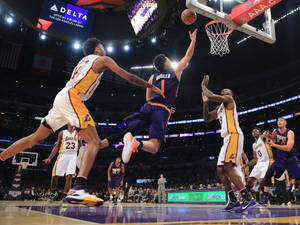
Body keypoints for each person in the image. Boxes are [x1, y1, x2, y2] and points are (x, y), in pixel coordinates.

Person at [0, 37, 163, 206]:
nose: (105, 49)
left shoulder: (84, 61)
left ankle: (2, 157)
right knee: (94, 141)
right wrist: (151, 86)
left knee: (35, 138)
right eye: (103, 46)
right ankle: (78, 188)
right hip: (72, 96)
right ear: (98, 50)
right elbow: (129, 77)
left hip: (63, 96)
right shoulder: (102, 59)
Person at [102, 29, 197, 163]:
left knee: (126, 131)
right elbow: (187, 56)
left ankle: (106, 144)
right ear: (166, 62)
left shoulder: (153, 77)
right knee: (155, 147)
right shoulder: (175, 71)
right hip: (161, 110)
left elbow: (148, 98)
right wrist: (193, 40)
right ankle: (136, 143)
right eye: (169, 59)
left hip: (148, 107)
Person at [201, 75, 256, 212]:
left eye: (227, 90)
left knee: (228, 166)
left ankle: (248, 198)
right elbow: (207, 118)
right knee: (220, 169)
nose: (224, 91)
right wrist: (205, 102)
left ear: (230, 95)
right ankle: (233, 200)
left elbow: (212, 95)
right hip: (226, 139)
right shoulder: (220, 108)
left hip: (234, 135)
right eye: (223, 90)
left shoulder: (230, 100)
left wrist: (203, 86)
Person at [260, 118, 300, 205]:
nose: (279, 122)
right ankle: (265, 197)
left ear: (285, 123)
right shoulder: (275, 131)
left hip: (290, 159)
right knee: (269, 173)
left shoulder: (290, 133)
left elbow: (289, 148)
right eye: (278, 121)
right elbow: (271, 140)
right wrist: (267, 136)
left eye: (281, 120)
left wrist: (274, 145)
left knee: (298, 177)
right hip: (279, 160)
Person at [43, 123, 81, 203]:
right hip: (63, 155)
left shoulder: (78, 133)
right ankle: (53, 192)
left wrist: (81, 158)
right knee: (54, 176)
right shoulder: (62, 133)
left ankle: (65, 196)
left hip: (73, 156)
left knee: (69, 176)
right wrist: (50, 158)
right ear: (68, 123)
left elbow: (80, 147)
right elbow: (57, 146)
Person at [244, 127, 273, 200]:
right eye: (253, 131)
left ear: (260, 133)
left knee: (261, 180)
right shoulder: (254, 145)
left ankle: (264, 195)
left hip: (266, 162)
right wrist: (246, 165)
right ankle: (247, 197)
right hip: (259, 163)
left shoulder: (262, 138)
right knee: (249, 180)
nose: (254, 132)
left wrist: (266, 133)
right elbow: (255, 159)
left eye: (256, 131)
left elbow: (266, 135)